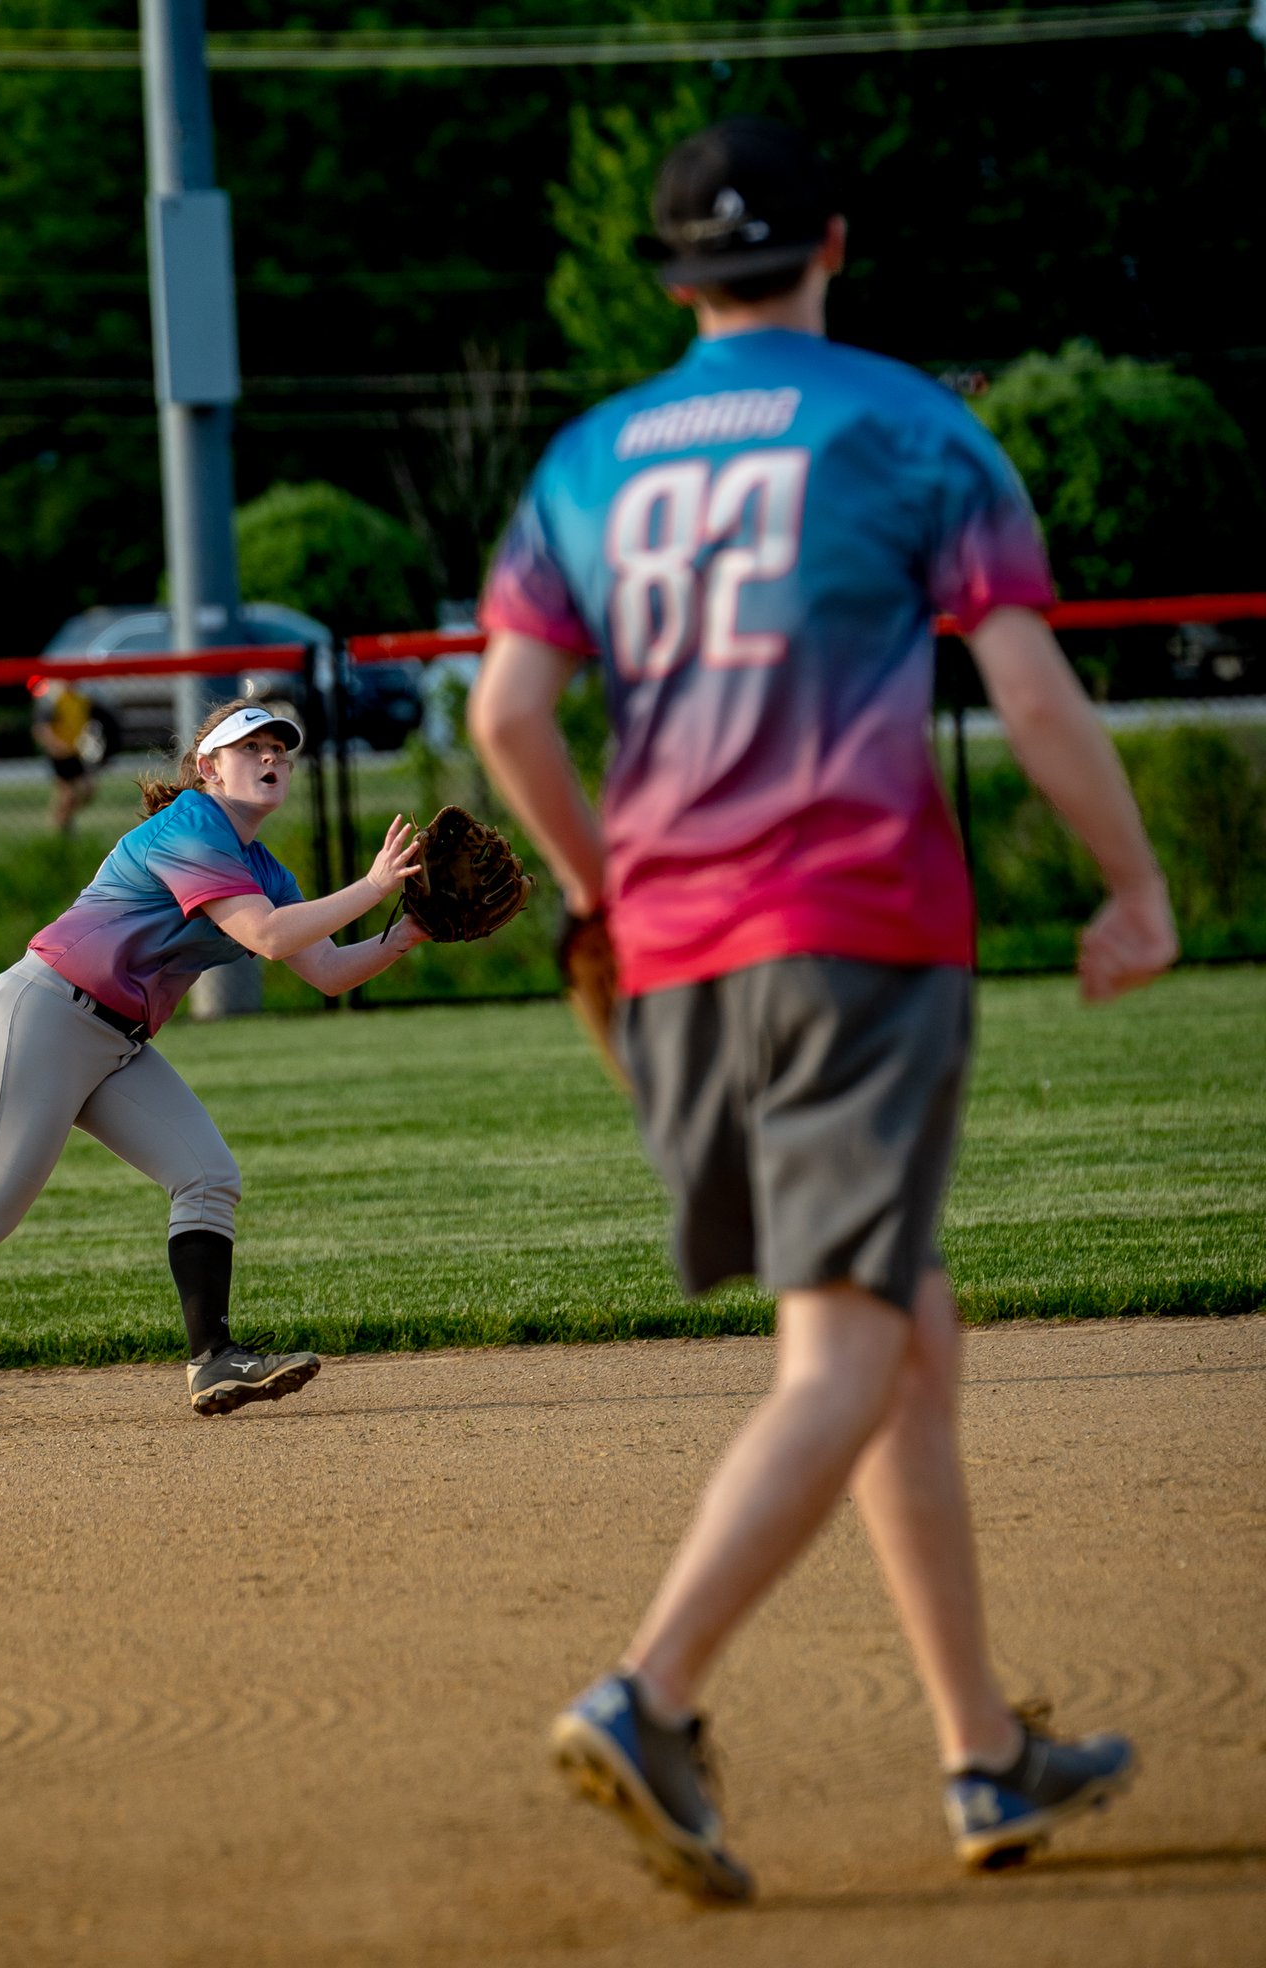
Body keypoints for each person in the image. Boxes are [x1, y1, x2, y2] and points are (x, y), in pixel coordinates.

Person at [468, 116, 1177, 1900]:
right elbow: (1023, 685)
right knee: (852, 1347)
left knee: (908, 1327)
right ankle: (651, 1693)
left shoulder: (591, 457)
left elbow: (507, 719)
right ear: (832, 246)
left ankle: (983, 1758)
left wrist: (597, 886)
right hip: (854, 927)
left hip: (675, 954)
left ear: (673, 275)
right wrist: (1136, 884)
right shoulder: (913, 426)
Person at [0, 701, 428, 1416]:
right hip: (45, 1012)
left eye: (281, 750)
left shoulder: (266, 869)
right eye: (250, 747)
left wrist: (406, 934)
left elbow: (323, 969)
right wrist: (371, 888)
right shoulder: (192, 825)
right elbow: (265, 936)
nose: (270, 759)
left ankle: (214, 1361)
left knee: (207, 1176)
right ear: (208, 768)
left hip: (114, 1043)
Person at [30, 676, 101, 831]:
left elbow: (90, 722)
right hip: (59, 753)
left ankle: (63, 819)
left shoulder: (81, 699)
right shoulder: (53, 699)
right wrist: (54, 746)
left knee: (87, 790)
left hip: (75, 751)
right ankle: (59, 825)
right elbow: (42, 728)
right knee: (66, 793)